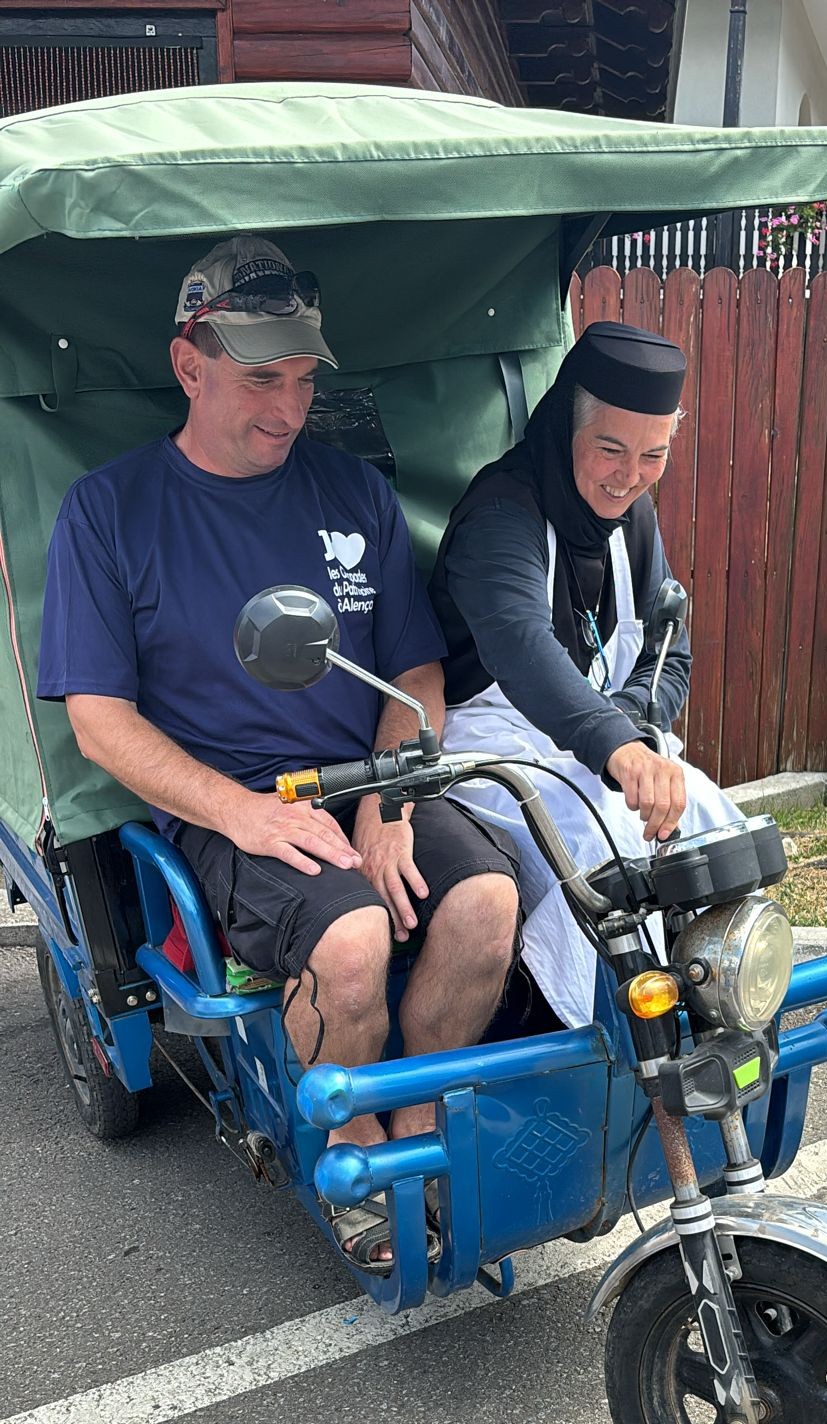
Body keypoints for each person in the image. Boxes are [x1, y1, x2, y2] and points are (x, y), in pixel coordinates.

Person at [37, 235, 520, 1270]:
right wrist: (241, 812)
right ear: (189, 364)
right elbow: (99, 721)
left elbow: (415, 679)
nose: (288, 411)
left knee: (487, 908)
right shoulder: (109, 512)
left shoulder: (353, 494)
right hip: (233, 806)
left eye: (304, 380)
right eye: (262, 379)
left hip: (366, 781)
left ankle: (410, 1118)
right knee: (351, 948)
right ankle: (343, 1143)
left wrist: (384, 805)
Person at [428, 320, 741, 1028]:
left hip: (605, 746)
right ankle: (600, 1042)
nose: (629, 475)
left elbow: (670, 650)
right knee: (598, 847)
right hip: (490, 753)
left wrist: (632, 728)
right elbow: (520, 647)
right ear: (567, 425)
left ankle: (722, 1014)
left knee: (715, 822)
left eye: (653, 455)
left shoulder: (633, 519)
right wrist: (618, 746)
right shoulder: (500, 513)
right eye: (610, 449)